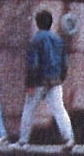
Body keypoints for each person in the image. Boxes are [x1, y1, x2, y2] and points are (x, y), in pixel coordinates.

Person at [19, 8, 77, 148]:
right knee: (59, 110)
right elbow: (64, 63)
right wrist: (60, 78)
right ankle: (68, 138)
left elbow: (33, 64)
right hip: (55, 80)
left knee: (29, 109)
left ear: (37, 23)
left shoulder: (35, 40)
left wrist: (30, 83)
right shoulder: (58, 40)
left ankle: (23, 141)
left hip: (39, 80)